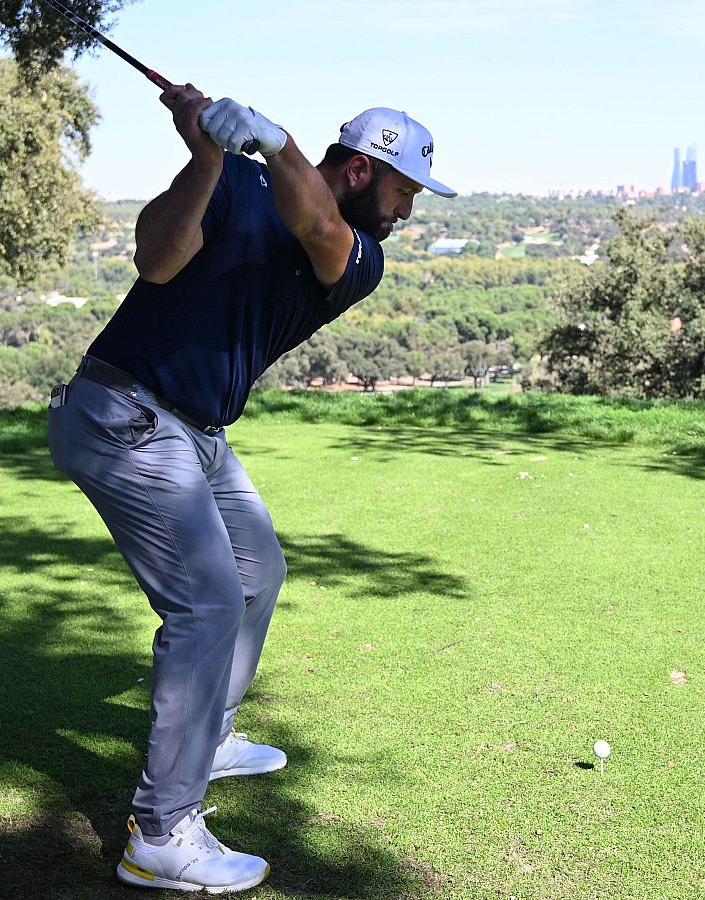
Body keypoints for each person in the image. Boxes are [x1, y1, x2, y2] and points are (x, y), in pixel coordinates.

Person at [46, 84, 455, 893]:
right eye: (404, 190)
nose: (408, 211)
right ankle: (161, 835)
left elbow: (317, 226)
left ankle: (211, 737)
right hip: (122, 414)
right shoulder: (235, 181)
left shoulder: (358, 254)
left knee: (258, 569)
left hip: (196, 432)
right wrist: (207, 159)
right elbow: (157, 259)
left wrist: (272, 137)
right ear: (363, 170)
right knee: (206, 605)